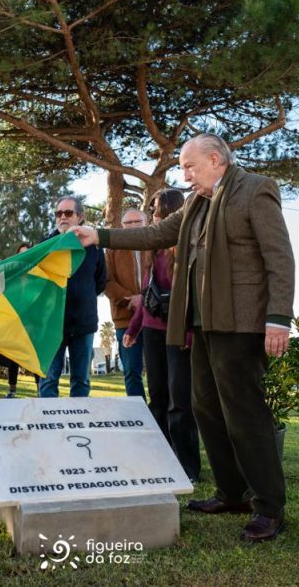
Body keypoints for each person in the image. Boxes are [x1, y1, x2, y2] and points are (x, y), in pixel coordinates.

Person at [71, 133, 294, 542]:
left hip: (242, 324)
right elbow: (155, 234)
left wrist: (278, 318)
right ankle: (231, 493)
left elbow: (279, 256)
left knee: (244, 413)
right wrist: (99, 236)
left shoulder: (256, 190)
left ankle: (269, 507)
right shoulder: (195, 203)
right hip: (201, 323)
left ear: (215, 159)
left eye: (189, 166)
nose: (184, 175)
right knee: (205, 407)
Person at [122, 188, 200, 482]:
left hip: (180, 335)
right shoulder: (154, 251)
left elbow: (194, 297)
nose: (152, 216)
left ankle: (188, 468)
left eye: (154, 211)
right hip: (153, 334)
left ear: (168, 213)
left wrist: (190, 336)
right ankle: (161, 461)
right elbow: (148, 295)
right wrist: (133, 329)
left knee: (179, 403)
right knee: (157, 399)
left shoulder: (189, 249)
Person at [37, 196, 106, 398]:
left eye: (68, 213)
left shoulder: (93, 246)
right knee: (48, 379)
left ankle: (79, 428)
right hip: (51, 326)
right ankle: (49, 429)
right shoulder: (43, 245)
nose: (62, 217)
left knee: (81, 381)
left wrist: (81, 297)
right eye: (58, 213)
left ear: (81, 217)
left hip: (84, 324)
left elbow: (100, 281)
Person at [104, 209, 152, 398]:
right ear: (122, 226)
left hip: (155, 316)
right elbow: (107, 281)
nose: (132, 226)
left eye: (137, 222)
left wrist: (146, 299)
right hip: (125, 319)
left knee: (159, 371)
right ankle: (139, 415)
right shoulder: (112, 250)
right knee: (132, 372)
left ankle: (160, 417)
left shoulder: (155, 245)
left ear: (146, 222)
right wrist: (131, 300)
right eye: (128, 223)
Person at [0, 243, 32, 398]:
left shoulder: (38, 276)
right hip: (15, 320)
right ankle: (12, 390)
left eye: (27, 253)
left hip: (32, 321)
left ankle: (39, 389)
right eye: (21, 253)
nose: (24, 256)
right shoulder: (12, 276)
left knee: (33, 355)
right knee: (13, 357)